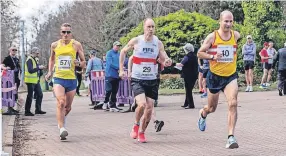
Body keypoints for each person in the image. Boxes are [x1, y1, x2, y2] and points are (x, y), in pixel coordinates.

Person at [119, 18, 172, 143]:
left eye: (153, 27)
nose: (151, 29)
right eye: (149, 27)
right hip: (138, 78)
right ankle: (136, 125)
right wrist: (122, 69)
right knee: (142, 104)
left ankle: (142, 132)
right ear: (144, 27)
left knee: (149, 108)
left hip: (152, 79)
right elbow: (123, 51)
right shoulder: (137, 40)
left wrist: (167, 61)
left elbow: (164, 56)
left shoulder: (158, 43)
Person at [197, 10, 241, 149]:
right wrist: (213, 56)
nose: (228, 24)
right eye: (226, 21)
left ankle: (230, 137)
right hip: (215, 76)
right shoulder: (212, 37)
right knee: (212, 108)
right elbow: (200, 53)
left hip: (230, 76)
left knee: (233, 103)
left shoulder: (236, 35)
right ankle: (203, 113)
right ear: (220, 21)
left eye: (230, 21)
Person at [45, 23, 86, 140]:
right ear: (60, 33)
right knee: (61, 102)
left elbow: (84, 62)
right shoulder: (54, 45)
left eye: (68, 32)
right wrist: (49, 72)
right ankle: (62, 128)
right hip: (58, 78)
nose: (66, 34)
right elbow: (51, 59)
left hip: (71, 79)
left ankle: (60, 121)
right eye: (64, 32)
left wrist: (78, 63)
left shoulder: (76, 45)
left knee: (67, 108)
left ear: (71, 33)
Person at [128, 55, 165, 132]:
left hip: (154, 80)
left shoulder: (157, 52)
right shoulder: (141, 50)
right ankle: (140, 123)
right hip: (140, 80)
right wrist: (130, 71)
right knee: (143, 104)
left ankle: (152, 123)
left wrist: (164, 61)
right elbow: (131, 58)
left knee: (150, 105)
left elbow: (163, 66)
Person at [98, 41, 122, 112]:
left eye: (119, 46)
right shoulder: (109, 53)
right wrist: (119, 68)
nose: (118, 47)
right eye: (117, 46)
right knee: (108, 90)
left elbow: (122, 61)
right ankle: (105, 102)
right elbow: (110, 63)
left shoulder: (119, 54)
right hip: (109, 74)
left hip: (117, 75)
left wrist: (122, 67)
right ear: (113, 45)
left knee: (115, 91)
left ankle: (113, 105)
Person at [24, 47, 46, 116]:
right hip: (30, 81)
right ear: (33, 52)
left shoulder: (35, 59)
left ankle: (38, 110)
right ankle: (27, 111)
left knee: (40, 94)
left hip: (36, 81)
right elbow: (30, 70)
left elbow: (36, 69)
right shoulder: (29, 59)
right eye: (37, 52)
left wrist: (40, 68)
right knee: (30, 96)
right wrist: (39, 68)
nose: (38, 53)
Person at [176, 43, 198, 109]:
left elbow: (181, 64)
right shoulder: (195, 56)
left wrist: (173, 64)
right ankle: (186, 103)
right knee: (189, 89)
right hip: (194, 75)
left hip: (187, 75)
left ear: (186, 49)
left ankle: (191, 105)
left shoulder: (187, 57)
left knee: (188, 90)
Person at [1, 46, 21, 115]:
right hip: (9, 79)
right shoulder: (7, 58)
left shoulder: (16, 59)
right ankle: (9, 109)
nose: (14, 51)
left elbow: (18, 68)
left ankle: (12, 108)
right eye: (13, 50)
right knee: (10, 93)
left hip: (16, 78)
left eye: (16, 50)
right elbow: (1, 65)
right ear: (10, 50)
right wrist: (5, 68)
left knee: (15, 93)